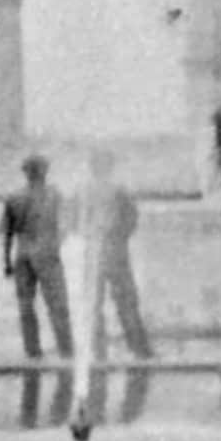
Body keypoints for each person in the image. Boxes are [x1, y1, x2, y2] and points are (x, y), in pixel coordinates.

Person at [76, 150, 153, 360]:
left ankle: (98, 350)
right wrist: (122, 235)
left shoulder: (83, 190)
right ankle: (139, 348)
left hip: (93, 249)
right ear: (110, 167)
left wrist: (90, 235)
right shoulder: (119, 190)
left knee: (94, 302)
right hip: (115, 248)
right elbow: (132, 218)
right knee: (126, 300)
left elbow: (77, 222)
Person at [3, 155, 74, 359]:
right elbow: (66, 225)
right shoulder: (54, 195)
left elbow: (8, 233)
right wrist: (55, 244)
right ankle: (64, 349)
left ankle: (33, 350)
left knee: (28, 305)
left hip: (24, 252)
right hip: (44, 252)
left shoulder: (15, 196)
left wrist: (6, 260)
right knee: (56, 303)